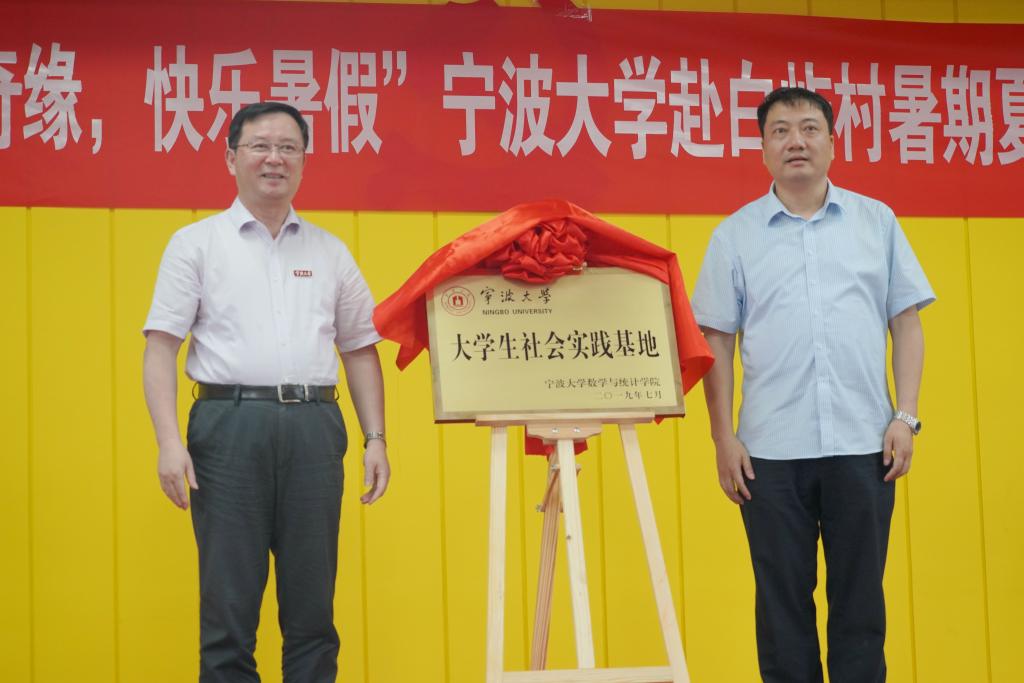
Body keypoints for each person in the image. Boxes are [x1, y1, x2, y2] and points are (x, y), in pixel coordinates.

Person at [691, 87, 934, 683]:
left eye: (808, 128)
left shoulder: (876, 222)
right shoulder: (734, 236)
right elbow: (716, 341)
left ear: (831, 142)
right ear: (763, 148)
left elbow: (906, 321)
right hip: (769, 454)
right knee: (781, 613)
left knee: (861, 608)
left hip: (864, 445)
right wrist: (723, 437)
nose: (795, 141)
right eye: (780, 131)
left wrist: (905, 416)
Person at [142, 101, 390, 683]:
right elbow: (160, 348)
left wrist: (376, 438)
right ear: (232, 158)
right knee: (228, 611)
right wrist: (168, 442)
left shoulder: (330, 251)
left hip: (313, 431)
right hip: (228, 429)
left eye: (288, 148)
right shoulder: (196, 244)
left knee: (312, 612)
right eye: (260, 146)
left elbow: (359, 348)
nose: (274, 158)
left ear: (304, 160)